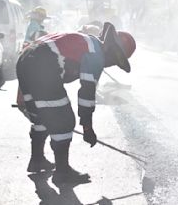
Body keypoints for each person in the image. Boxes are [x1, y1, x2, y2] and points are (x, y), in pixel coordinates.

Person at [16, 22, 136, 184]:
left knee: (41, 116)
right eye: (115, 59)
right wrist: (87, 127)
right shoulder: (96, 54)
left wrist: (24, 94)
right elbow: (86, 94)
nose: (111, 64)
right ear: (110, 48)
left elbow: (32, 53)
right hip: (43, 63)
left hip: (26, 59)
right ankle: (62, 173)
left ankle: (37, 161)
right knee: (63, 120)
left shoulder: (86, 41)